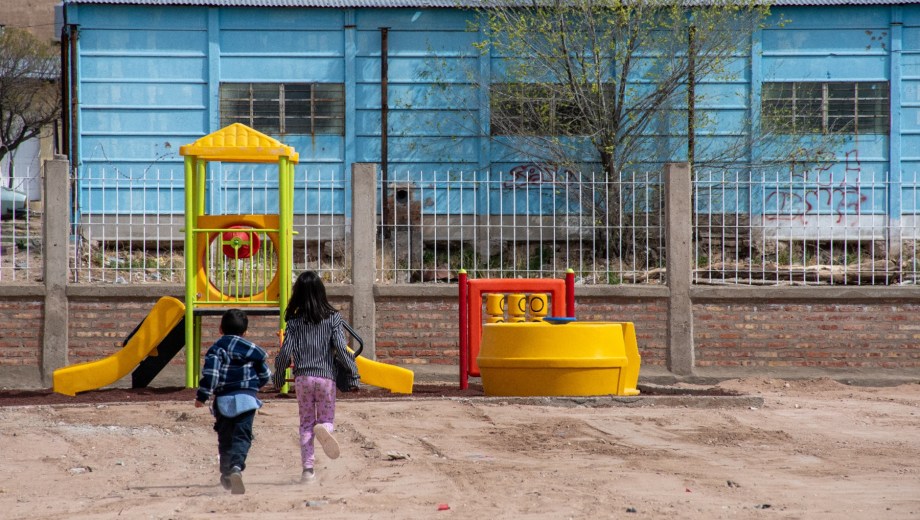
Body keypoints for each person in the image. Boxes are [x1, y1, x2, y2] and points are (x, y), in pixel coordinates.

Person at [274, 270, 360, 483]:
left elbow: (285, 352)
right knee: (325, 419)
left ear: (298, 294)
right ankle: (325, 428)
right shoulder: (333, 318)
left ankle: (308, 471)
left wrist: (278, 376)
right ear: (321, 292)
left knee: (305, 423)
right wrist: (353, 373)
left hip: (303, 379)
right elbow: (341, 348)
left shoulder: (293, 322)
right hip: (326, 379)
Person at [195, 308, 271, 495]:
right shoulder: (252, 350)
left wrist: (202, 396)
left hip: (224, 400)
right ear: (245, 332)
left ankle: (226, 473)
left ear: (220, 329)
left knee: (225, 438)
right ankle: (237, 467)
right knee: (242, 436)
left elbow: (211, 374)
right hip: (247, 399)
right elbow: (265, 375)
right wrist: (254, 387)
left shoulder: (217, 349)